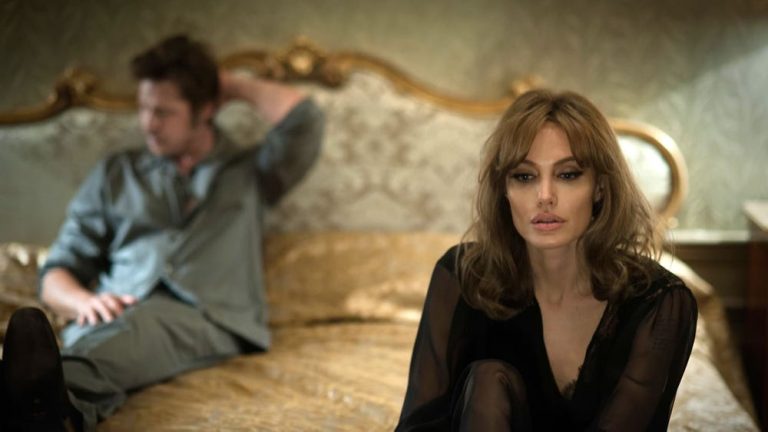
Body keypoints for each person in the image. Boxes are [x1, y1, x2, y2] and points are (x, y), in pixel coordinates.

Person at [0, 34, 323, 431]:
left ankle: (37, 399)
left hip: (208, 316)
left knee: (140, 329)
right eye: (143, 108)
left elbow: (306, 120)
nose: (148, 124)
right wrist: (83, 302)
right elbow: (56, 271)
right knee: (115, 339)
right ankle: (54, 412)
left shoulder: (252, 171)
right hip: (110, 312)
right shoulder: (116, 173)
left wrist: (229, 84)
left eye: (164, 112)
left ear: (206, 109)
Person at [396, 89, 697, 431]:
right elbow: (419, 424)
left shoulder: (656, 303)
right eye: (524, 176)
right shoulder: (463, 276)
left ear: (600, 187)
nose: (544, 197)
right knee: (488, 380)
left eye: (567, 174)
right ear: (504, 190)